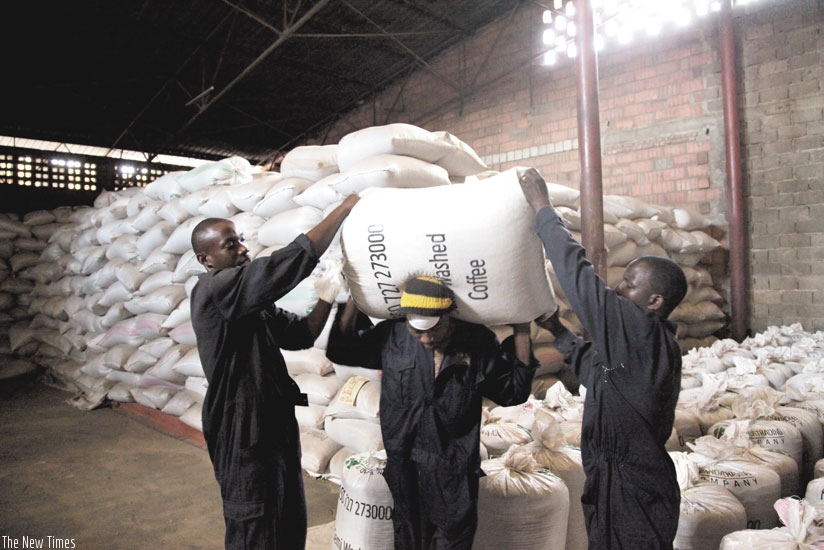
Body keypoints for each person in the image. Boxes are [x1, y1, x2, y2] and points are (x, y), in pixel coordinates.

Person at [518, 167, 688, 550]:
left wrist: (543, 208)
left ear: (654, 302)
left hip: (635, 489)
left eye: (629, 286)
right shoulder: (637, 350)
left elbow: (581, 282)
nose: (617, 289)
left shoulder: (642, 329)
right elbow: (596, 374)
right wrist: (558, 330)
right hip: (612, 480)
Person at [189, 193, 359, 550]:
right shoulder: (214, 289)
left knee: (287, 516)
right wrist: (343, 210)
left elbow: (300, 335)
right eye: (229, 244)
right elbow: (278, 269)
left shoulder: (251, 305)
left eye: (240, 240)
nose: (242, 248)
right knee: (254, 521)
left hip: (272, 420)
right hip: (240, 425)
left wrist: (328, 297)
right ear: (206, 259)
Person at [326, 274, 537, 550]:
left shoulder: (477, 341)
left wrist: (522, 330)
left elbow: (513, 392)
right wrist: (349, 297)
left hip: (454, 471)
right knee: (408, 539)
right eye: (418, 331)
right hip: (405, 466)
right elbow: (341, 351)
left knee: (453, 541)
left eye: (434, 330)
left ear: (449, 315)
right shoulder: (393, 335)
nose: (426, 338)